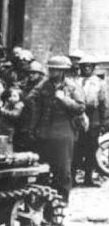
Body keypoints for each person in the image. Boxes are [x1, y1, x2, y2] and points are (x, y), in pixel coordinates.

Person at [26, 56, 85, 201]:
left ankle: (61, 201)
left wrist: (64, 99)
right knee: (43, 169)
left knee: (63, 170)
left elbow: (81, 107)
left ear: (63, 71)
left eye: (55, 69)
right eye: (50, 69)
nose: (51, 72)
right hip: (45, 132)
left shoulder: (72, 86)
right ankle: (43, 200)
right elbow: (30, 99)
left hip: (63, 132)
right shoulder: (44, 85)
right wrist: (33, 128)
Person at [72, 55, 108, 186]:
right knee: (76, 149)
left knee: (91, 149)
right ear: (80, 67)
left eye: (89, 66)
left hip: (93, 118)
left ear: (93, 68)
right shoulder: (74, 81)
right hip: (77, 116)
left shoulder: (99, 83)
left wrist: (104, 122)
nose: (86, 68)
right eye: (84, 66)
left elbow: (104, 103)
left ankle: (88, 178)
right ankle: (73, 178)